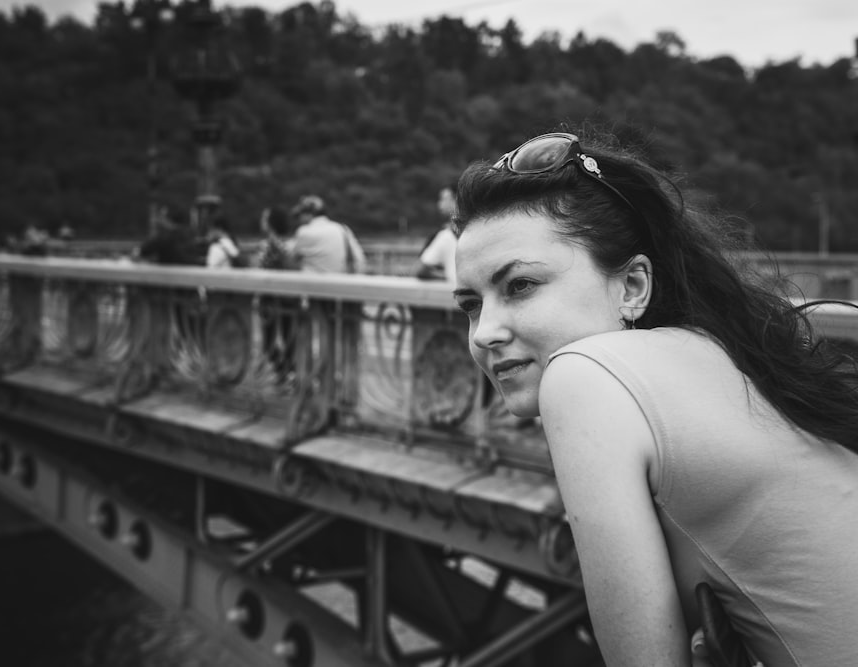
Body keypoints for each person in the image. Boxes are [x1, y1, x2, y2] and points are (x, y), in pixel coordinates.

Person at [451, 129, 858, 667]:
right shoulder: (722, 352)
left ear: (633, 287)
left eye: (520, 286)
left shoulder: (583, 376)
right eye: (470, 306)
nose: (484, 333)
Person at [256, 206, 298, 381]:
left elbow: (260, 269)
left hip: (271, 297)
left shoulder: (269, 245)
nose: (261, 221)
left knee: (270, 340)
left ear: (271, 223)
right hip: (289, 297)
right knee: (289, 338)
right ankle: (288, 372)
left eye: (265, 218)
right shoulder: (291, 244)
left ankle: (283, 372)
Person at [289, 195, 367, 274]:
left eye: (299, 215)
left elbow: (289, 258)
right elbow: (359, 261)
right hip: (341, 281)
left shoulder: (305, 231)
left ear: (308, 214)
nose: (299, 220)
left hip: (313, 283)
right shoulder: (343, 229)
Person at [413, 183, 458, 283]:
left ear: (456, 200)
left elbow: (420, 269)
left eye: (444, 199)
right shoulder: (445, 233)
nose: (440, 204)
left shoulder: (446, 235)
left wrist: (449, 275)